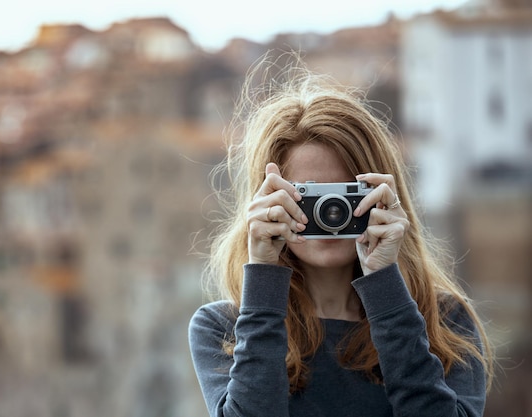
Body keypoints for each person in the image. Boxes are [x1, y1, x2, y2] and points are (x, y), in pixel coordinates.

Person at [188, 59, 494, 417]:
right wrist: (263, 277)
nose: (330, 212)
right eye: (307, 196)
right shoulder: (225, 327)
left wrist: (384, 284)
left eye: (347, 195)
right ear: (267, 201)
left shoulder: (444, 321)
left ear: (385, 196)